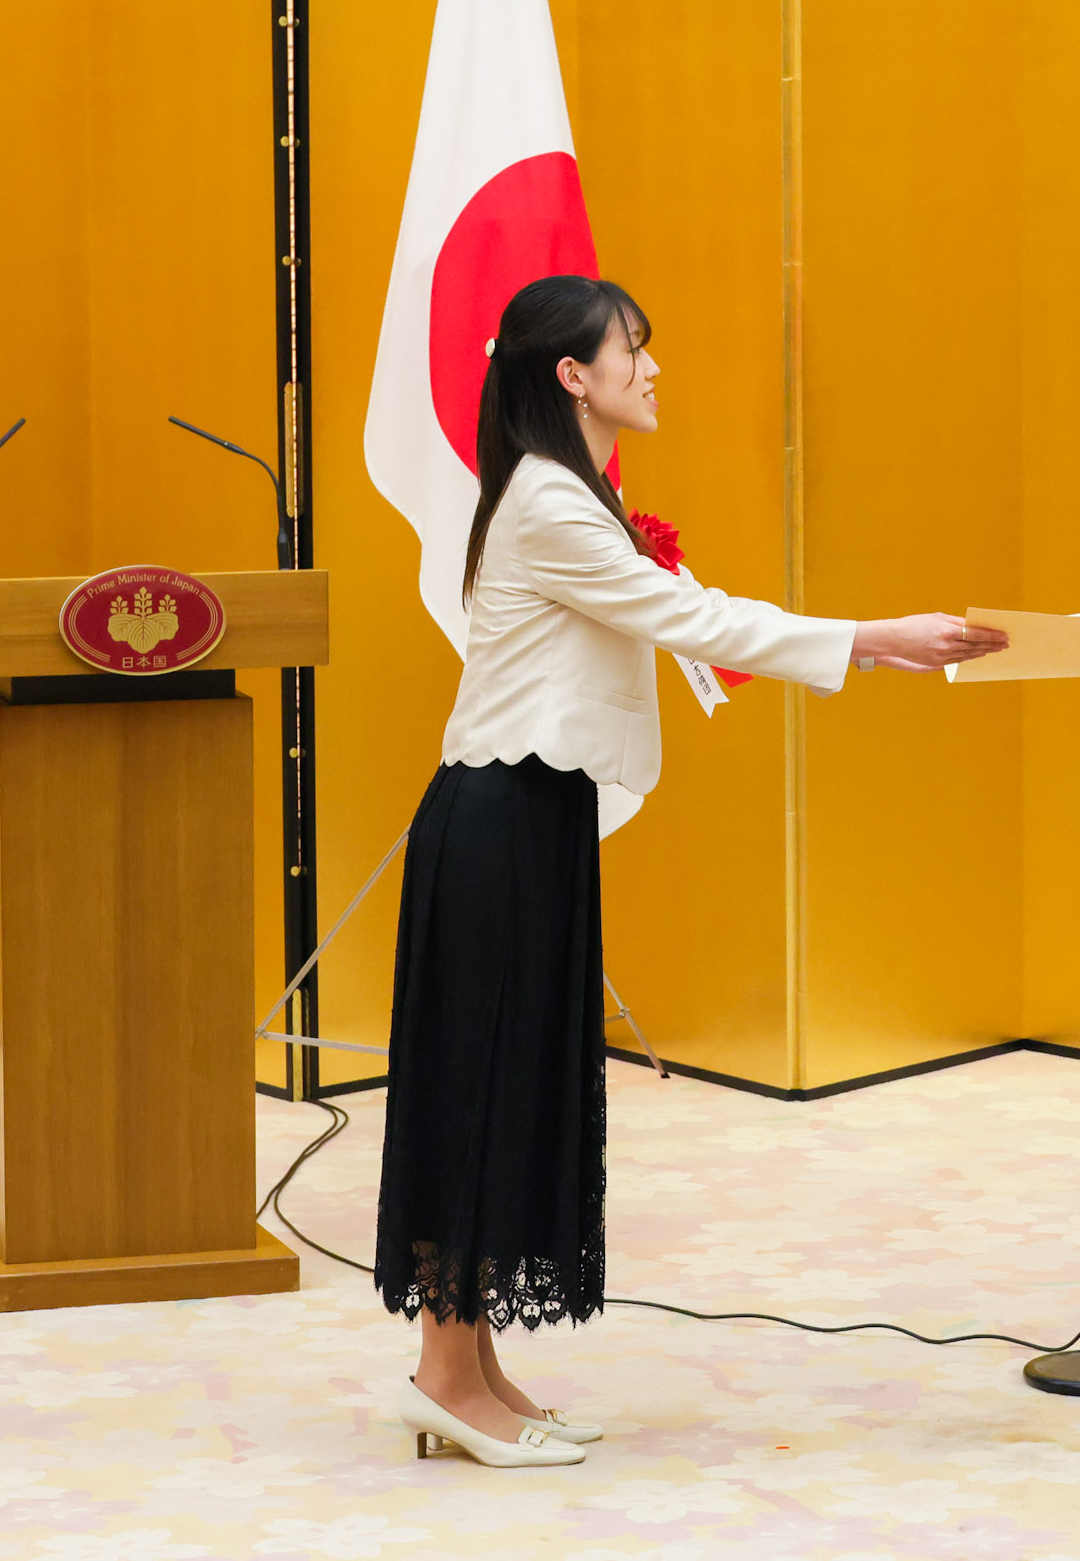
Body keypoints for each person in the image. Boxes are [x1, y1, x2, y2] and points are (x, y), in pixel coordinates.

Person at [377, 273, 1006, 1468]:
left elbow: (683, 611)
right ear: (573, 376)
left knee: (509, 1091)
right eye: (634, 349)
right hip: (498, 821)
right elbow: (697, 621)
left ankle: (471, 1370)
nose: (653, 369)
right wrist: (875, 640)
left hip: (532, 815)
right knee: (485, 1094)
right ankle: (444, 1378)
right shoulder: (554, 505)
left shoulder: (569, 491)